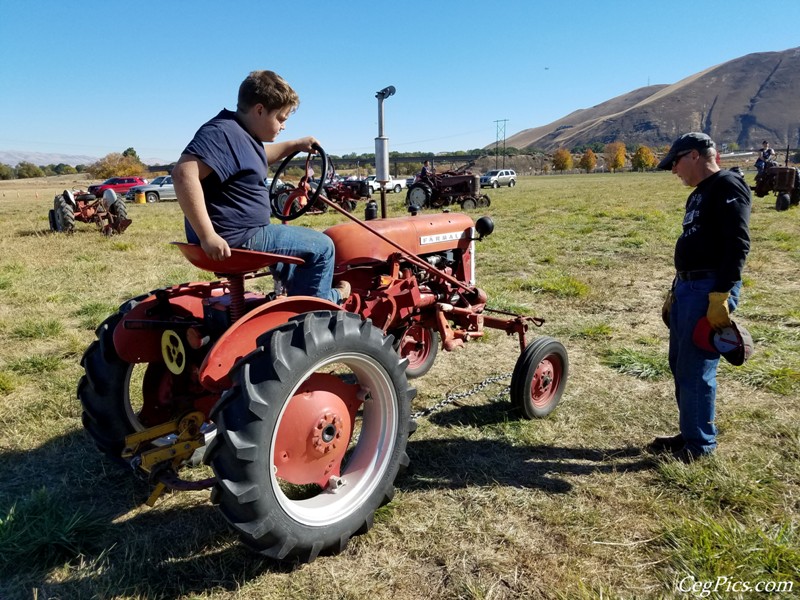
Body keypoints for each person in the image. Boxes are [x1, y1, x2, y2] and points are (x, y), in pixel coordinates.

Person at [172, 70, 349, 304]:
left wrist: (295, 144)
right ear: (259, 110)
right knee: (324, 246)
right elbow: (183, 174)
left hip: (242, 233)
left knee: (290, 247)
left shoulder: (240, 134)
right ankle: (317, 308)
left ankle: (304, 298)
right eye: (282, 118)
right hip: (236, 237)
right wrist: (208, 236)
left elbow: (257, 157)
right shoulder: (222, 133)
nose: (283, 126)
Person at [651, 132, 751, 462]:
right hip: (687, 288)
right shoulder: (698, 194)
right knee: (681, 365)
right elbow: (695, 245)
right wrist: (675, 288)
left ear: (694, 155)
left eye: (675, 162)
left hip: (708, 289)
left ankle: (699, 447)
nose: (673, 170)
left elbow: (737, 244)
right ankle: (690, 432)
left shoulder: (727, 186)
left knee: (696, 369)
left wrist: (721, 293)